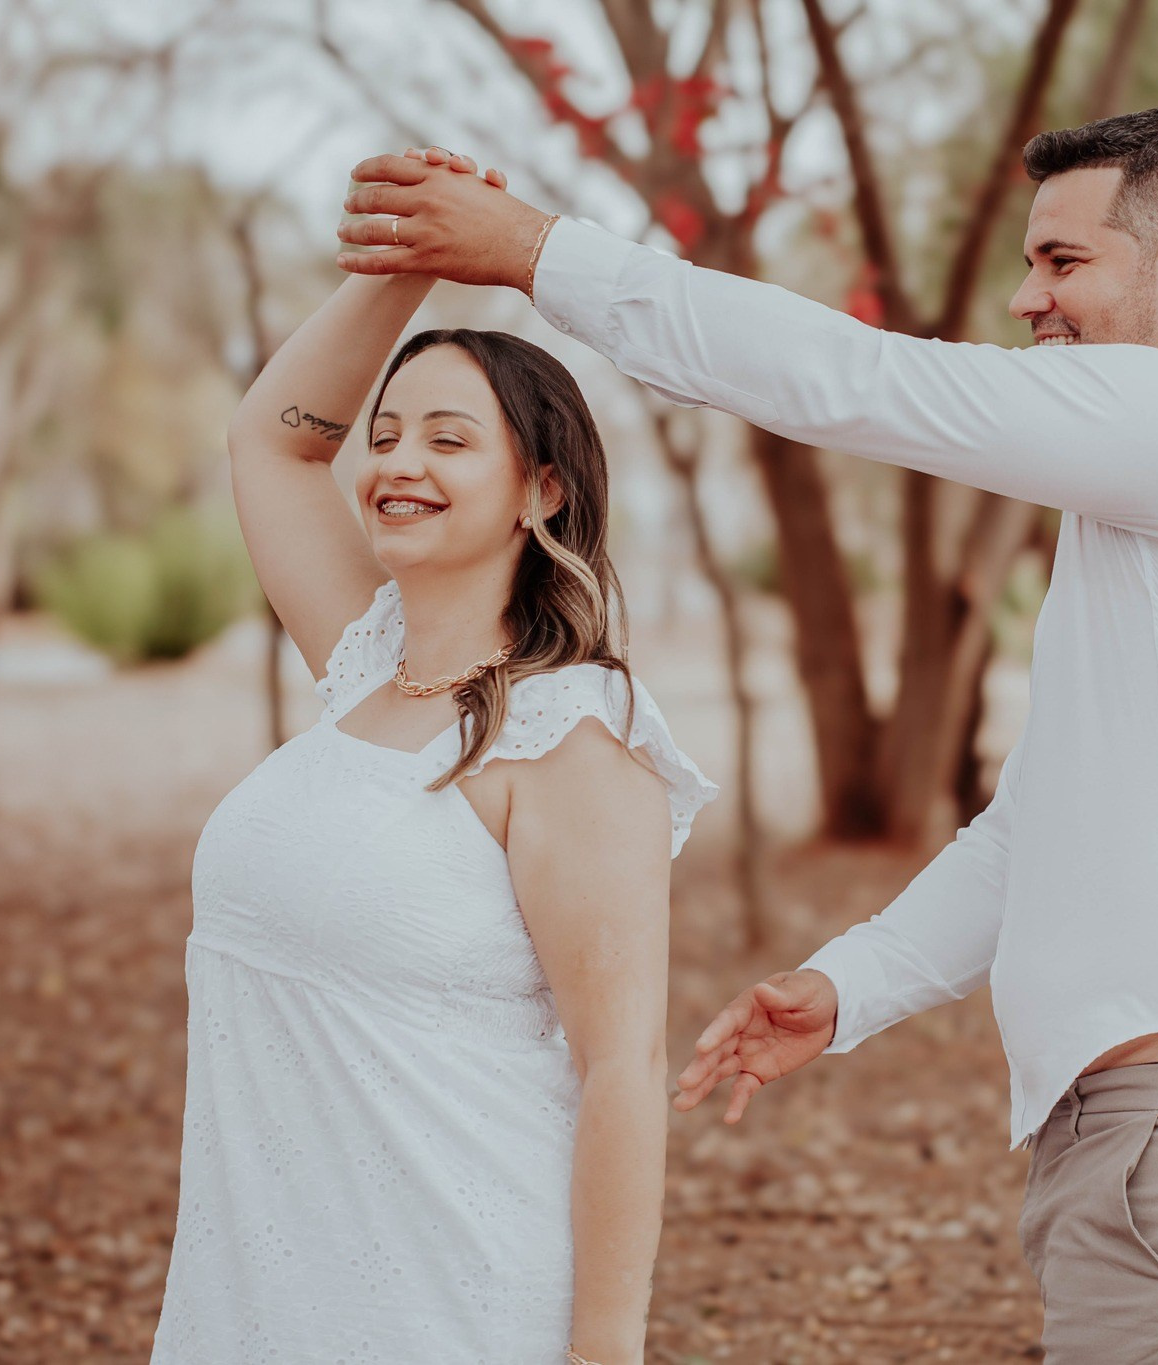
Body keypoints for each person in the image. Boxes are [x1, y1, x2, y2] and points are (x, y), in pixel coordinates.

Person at [339, 106, 1158, 1363]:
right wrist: (850, 987)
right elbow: (1034, 830)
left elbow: (856, 381)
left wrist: (536, 252)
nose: (1024, 297)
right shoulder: (1149, 498)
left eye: (1062, 261)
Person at [148, 261, 716, 1365]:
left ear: (542, 490)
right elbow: (270, 438)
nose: (400, 463)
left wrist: (604, 1351)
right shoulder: (366, 664)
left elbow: (621, 1068)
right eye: (388, 435)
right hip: (252, 1299)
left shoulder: (570, 738)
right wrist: (403, 263)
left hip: (451, 1303)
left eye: (449, 441)